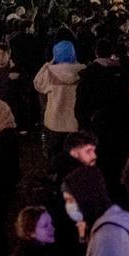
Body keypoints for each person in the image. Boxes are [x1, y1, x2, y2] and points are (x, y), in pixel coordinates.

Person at [33, 41, 85, 169]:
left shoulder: (50, 72)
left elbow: (38, 84)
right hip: (74, 120)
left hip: (54, 120)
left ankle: (56, 178)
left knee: (55, 153)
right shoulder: (82, 70)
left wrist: (48, 64)